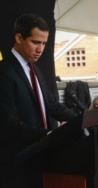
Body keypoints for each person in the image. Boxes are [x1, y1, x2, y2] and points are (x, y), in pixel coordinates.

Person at [0, 14, 78, 188]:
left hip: (39, 156)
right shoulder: (4, 72)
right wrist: (49, 135)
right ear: (19, 38)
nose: (40, 49)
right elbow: (8, 125)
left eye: (44, 43)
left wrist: (82, 120)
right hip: (18, 163)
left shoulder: (35, 70)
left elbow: (51, 105)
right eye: (35, 42)